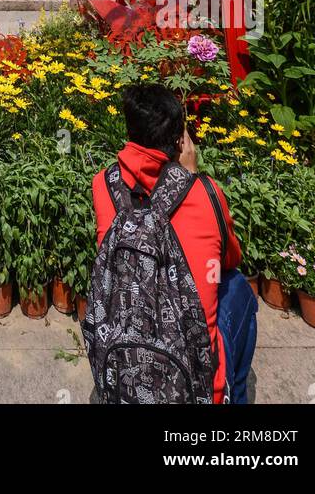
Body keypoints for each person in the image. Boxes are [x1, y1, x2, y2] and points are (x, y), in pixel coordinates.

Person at [90, 83, 257, 404]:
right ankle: (232, 396)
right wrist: (190, 179)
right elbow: (230, 259)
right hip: (195, 387)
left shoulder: (103, 185)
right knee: (237, 286)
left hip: (123, 368)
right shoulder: (206, 193)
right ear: (181, 141)